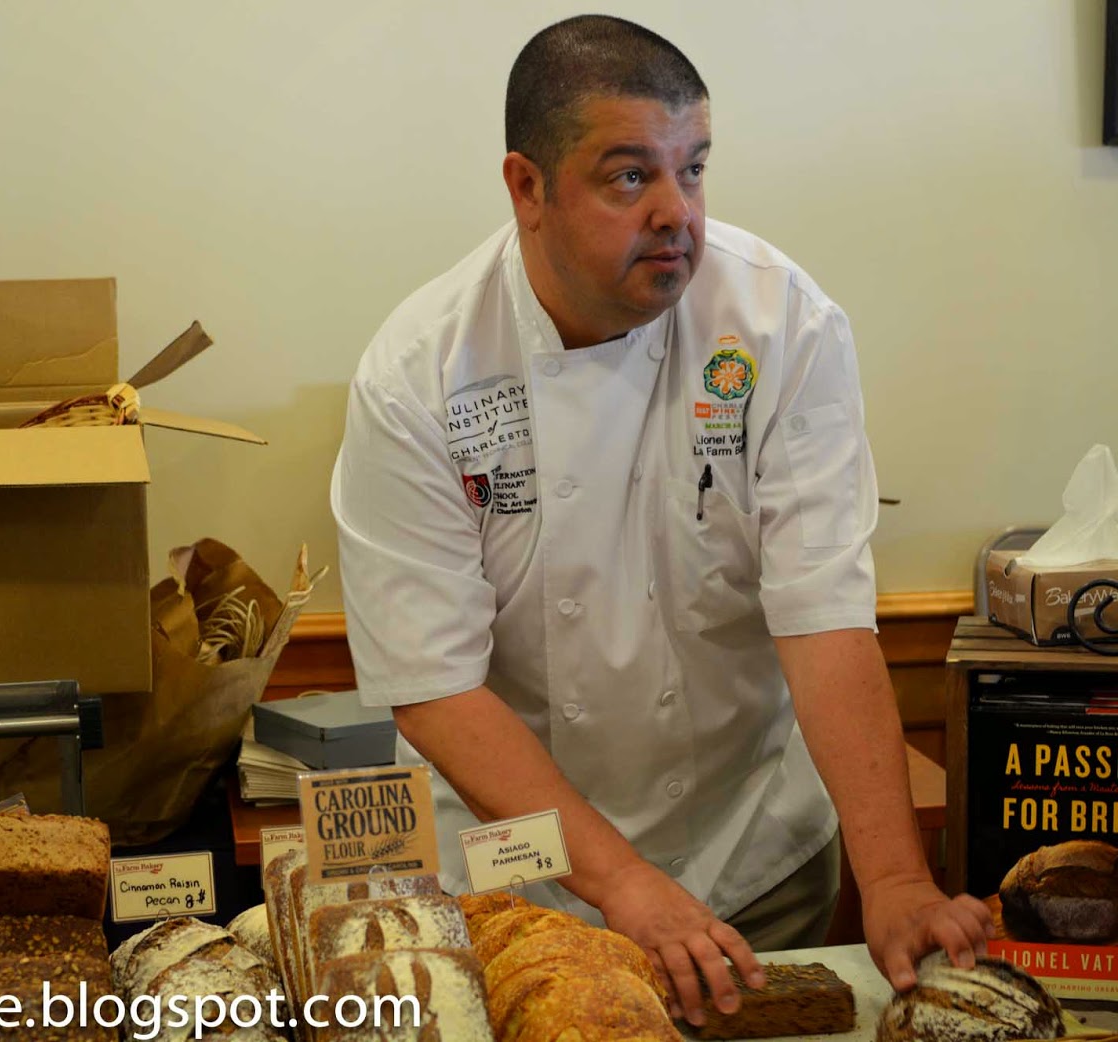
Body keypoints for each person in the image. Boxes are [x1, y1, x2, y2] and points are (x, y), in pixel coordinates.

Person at [329, 13, 991, 1026]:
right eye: (629, 176)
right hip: (518, 877)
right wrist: (623, 880)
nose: (677, 211)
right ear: (527, 188)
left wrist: (896, 878)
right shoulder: (419, 374)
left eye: (694, 169)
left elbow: (822, 612)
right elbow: (433, 685)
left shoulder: (780, 324)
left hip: (753, 849)